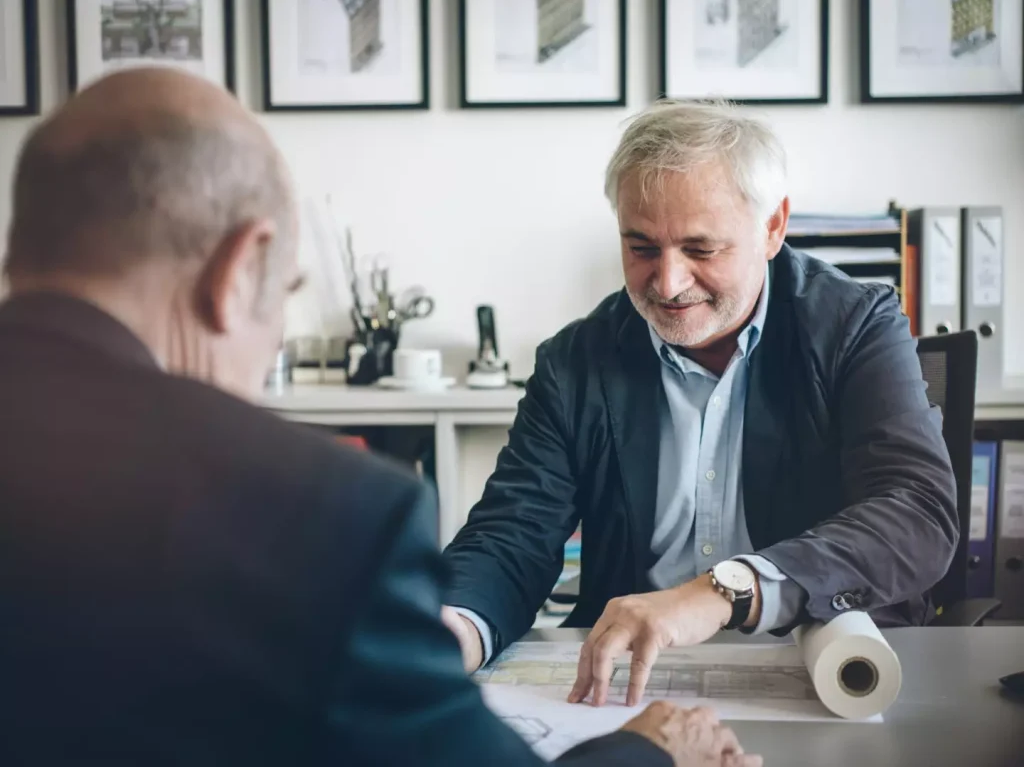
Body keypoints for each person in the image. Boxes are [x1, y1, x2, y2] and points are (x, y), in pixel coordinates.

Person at [0, 69, 762, 767]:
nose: (667, 280)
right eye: (285, 292)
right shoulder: (320, 516)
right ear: (238, 272)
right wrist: (653, 753)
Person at [442, 99, 959, 707]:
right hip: (630, 684)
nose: (667, 283)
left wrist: (724, 591)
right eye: (640, 248)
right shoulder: (574, 360)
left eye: (701, 250)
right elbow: (512, 536)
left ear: (772, 228)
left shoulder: (854, 326)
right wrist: (447, 632)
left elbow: (916, 511)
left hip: (821, 668)